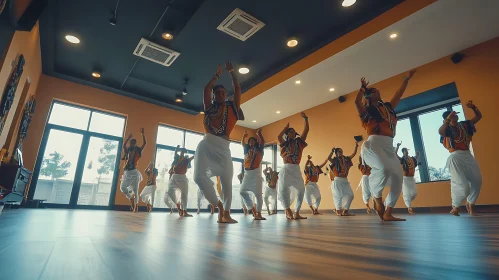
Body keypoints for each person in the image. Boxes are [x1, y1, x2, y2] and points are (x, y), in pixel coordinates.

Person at [355, 70, 416, 221]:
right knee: (383, 168)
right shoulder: (366, 111)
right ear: (369, 96)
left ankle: (388, 213)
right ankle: (376, 196)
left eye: (377, 90)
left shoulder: (388, 107)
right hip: (373, 144)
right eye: (374, 91)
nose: (377, 91)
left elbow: (398, 94)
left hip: (389, 145)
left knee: (398, 178)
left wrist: (406, 79)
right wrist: (362, 89)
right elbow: (356, 102)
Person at [194, 61, 241, 223]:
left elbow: (237, 90)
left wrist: (232, 72)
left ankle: (226, 214)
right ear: (214, 96)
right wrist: (217, 75)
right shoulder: (209, 107)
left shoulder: (232, 107)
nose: (221, 95)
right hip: (206, 145)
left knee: (227, 180)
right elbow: (206, 89)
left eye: (223, 93)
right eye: (218, 93)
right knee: (198, 177)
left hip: (224, 149)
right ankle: (218, 205)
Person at [439, 100, 482, 216]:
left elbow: (479, 116)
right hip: (455, 157)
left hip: (467, 155)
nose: (455, 116)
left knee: (477, 181)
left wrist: (473, 107)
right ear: (447, 119)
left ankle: (470, 205)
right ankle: (455, 206)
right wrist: (448, 119)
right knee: (463, 186)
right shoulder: (446, 129)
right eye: (452, 115)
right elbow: (441, 131)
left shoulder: (465, 125)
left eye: (455, 114)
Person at [277, 112, 309, 220]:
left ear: (295, 134)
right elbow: (278, 136)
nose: (291, 133)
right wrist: (285, 128)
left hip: (296, 169)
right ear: (287, 134)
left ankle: (297, 212)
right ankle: (287, 209)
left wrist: (306, 119)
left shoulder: (299, 142)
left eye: (293, 132)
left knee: (301, 190)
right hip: (286, 169)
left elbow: (306, 131)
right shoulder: (284, 144)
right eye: (289, 132)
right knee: (283, 189)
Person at [240, 130, 266, 220]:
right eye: (250, 141)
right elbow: (242, 143)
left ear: (255, 142)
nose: (251, 142)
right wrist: (244, 136)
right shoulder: (246, 150)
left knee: (258, 195)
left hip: (256, 174)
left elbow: (262, 142)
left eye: (253, 141)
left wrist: (259, 134)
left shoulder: (259, 149)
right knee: (242, 191)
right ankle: (252, 208)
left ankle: (259, 214)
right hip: (247, 174)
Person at [328, 143, 359, 216]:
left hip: (345, 180)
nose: (341, 152)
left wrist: (356, 147)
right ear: (336, 153)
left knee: (351, 195)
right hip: (337, 180)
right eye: (339, 151)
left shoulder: (346, 159)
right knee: (338, 196)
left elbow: (353, 154)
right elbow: (329, 158)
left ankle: (345, 211)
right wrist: (331, 151)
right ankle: (338, 211)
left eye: (341, 151)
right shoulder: (334, 160)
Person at [120, 128, 146, 213]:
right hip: (127, 172)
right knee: (122, 188)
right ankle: (130, 197)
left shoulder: (137, 150)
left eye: (133, 143)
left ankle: (136, 206)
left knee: (135, 190)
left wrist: (142, 134)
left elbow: (144, 144)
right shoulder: (127, 150)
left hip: (134, 172)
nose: (132, 144)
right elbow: (124, 146)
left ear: (135, 144)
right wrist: (127, 138)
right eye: (131, 142)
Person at [167, 145, 194, 217]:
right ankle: (178, 205)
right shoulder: (177, 158)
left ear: (184, 152)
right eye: (181, 151)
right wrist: (176, 148)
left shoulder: (186, 160)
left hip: (183, 178)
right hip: (174, 177)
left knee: (184, 195)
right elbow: (175, 153)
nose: (182, 152)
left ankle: (184, 211)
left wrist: (197, 152)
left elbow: (193, 157)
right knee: (169, 191)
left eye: (183, 151)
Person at [395, 142, 420, 214]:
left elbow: (415, 158)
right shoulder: (402, 159)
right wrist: (397, 147)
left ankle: (408, 202)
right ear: (403, 152)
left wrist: (417, 155)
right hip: (405, 178)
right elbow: (395, 155)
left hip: (411, 178)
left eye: (407, 150)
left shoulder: (411, 158)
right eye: (405, 150)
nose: (407, 151)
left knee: (414, 193)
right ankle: (409, 207)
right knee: (406, 193)